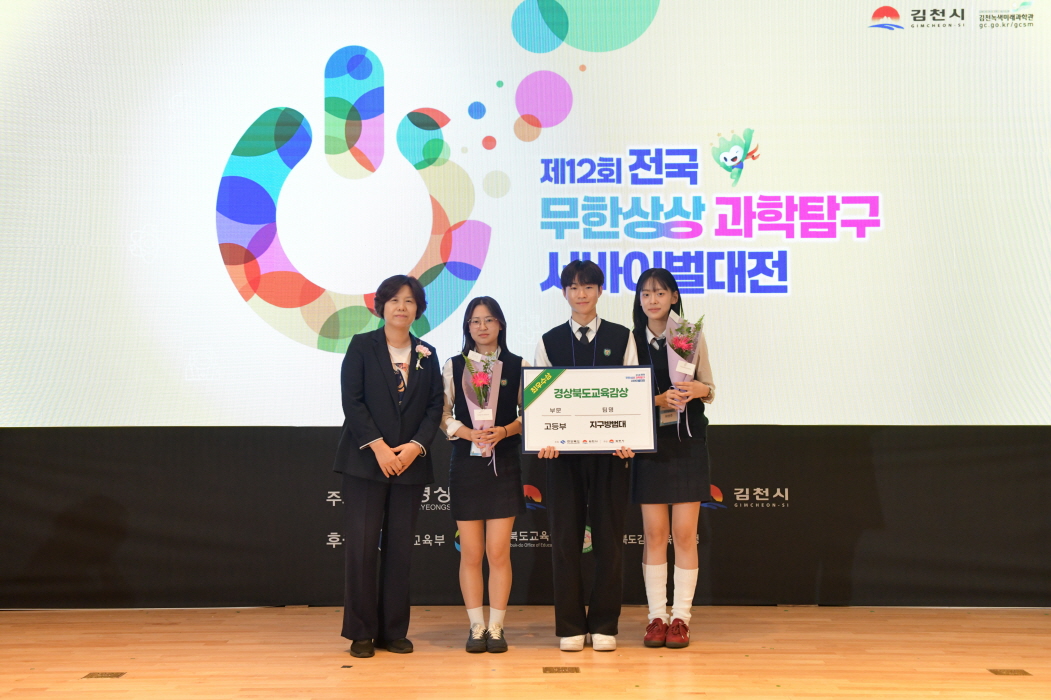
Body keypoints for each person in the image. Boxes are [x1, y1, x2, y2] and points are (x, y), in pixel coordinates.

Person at [332, 275, 444, 659]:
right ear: (381, 306)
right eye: (394, 300)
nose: (401, 307)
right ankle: (361, 632)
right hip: (366, 463)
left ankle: (393, 630)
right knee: (362, 550)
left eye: (409, 301)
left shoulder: (427, 353)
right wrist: (379, 448)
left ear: (418, 309)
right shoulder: (362, 346)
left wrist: (414, 447)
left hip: (409, 465)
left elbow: (434, 406)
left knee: (400, 551)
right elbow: (353, 401)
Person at [534, 260, 637, 652]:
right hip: (562, 457)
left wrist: (629, 437)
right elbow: (539, 398)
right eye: (574, 287)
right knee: (565, 541)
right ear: (564, 293)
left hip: (611, 454)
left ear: (600, 291)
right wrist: (544, 436)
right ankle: (570, 626)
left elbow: (632, 391)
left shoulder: (622, 336)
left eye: (588, 287)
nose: (581, 294)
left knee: (610, 539)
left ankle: (606, 624)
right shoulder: (549, 341)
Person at [630, 268, 715, 650]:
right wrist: (658, 400)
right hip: (649, 446)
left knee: (683, 533)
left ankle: (681, 618)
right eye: (646, 294)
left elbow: (710, 388)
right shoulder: (631, 340)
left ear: (674, 297)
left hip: (688, 442)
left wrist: (697, 389)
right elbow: (622, 396)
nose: (653, 300)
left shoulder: (689, 336)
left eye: (660, 293)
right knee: (654, 534)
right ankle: (656, 618)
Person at [440, 297, 527, 654]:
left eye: (489, 320)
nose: (482, 327)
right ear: (468, 327)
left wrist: (504, 431)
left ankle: (496, 627)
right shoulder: (454, 365)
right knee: (471, 553)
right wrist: (467, 433)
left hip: (503, 463)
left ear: (500, 324)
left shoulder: (518, 365)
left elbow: (530, 413)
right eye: (475, 321)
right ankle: (476, 626)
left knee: (498, 552)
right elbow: (442, 413)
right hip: (466, 463)